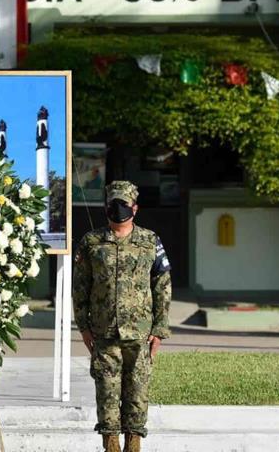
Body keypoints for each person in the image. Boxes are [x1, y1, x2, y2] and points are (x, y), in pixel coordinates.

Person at [72, 180, 172, 452]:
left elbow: (162, 285)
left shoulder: (150, 241)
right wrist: (83, 327)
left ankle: (134, 444)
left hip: (139, 333)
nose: (118, 210)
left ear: (135, 208)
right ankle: (111, 445)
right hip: (103, 332)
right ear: (106, 208)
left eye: (124, 205)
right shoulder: (91, 242)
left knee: (137, 392)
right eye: (113, 205)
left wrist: (160, 329)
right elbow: (80, 288)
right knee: (107, 391)